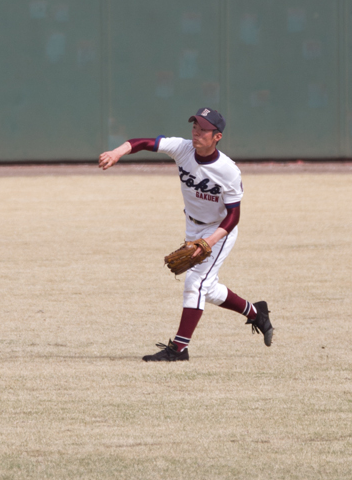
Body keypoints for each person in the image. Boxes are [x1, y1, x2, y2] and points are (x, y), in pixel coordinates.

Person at [98, 107, 274, 362]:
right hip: (192, 226)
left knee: (195, 285)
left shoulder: (228, 171)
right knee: (208, 289)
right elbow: (145, 143)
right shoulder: (183, 149)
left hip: (219, 230)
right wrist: (117, 152)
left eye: (203, 129)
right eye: (195, 126)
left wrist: (208, 242)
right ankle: (256, 313)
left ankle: (179, 349)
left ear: (217, 137)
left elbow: (234, 216)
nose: (196, 132)